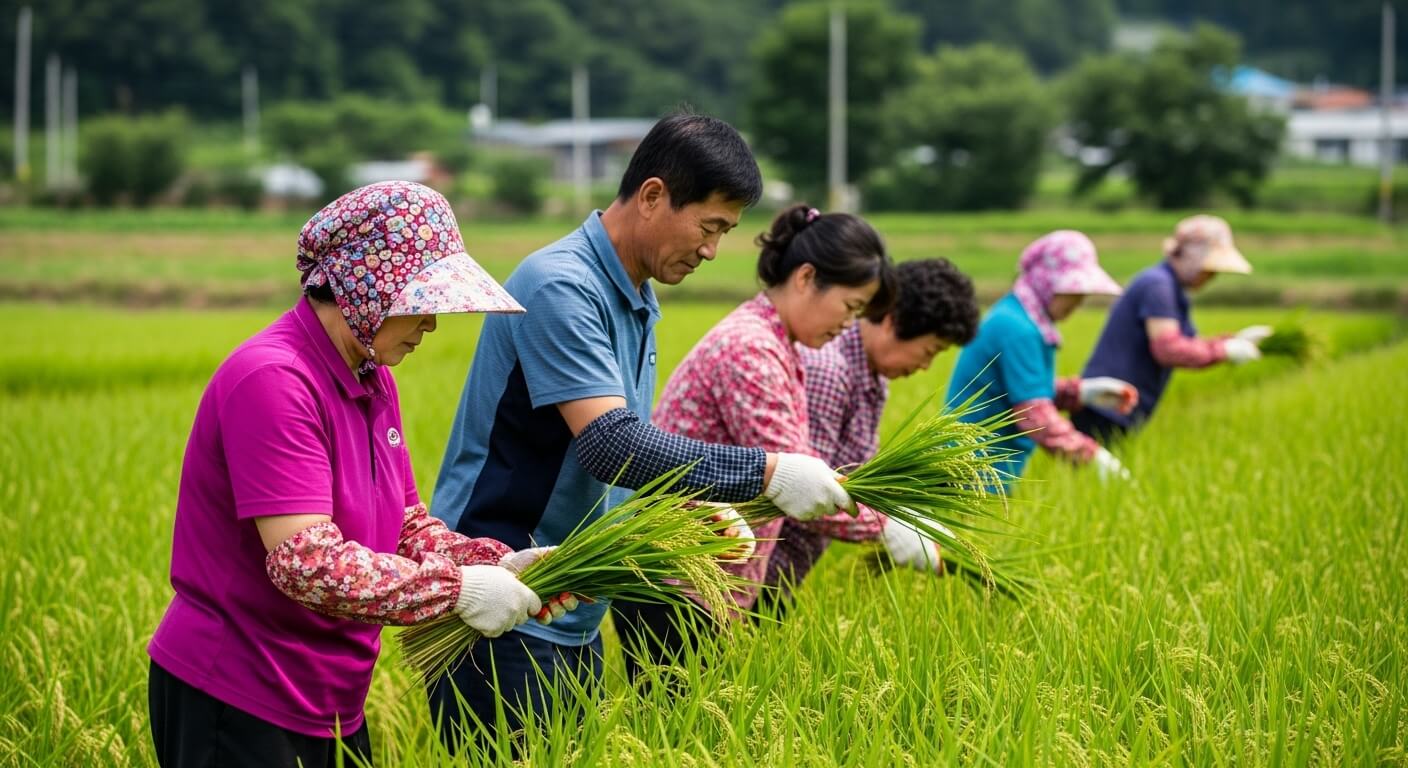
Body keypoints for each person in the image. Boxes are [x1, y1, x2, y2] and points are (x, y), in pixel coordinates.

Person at [428, 115, 855, 748]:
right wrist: (767, 472)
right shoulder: (562, 286)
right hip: (506, 604)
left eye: (724, 233)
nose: (711, 250)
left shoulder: (633, 293)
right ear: (653, 196)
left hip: (571, 611)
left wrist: (689, 508)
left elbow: (617, 470)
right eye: (708, 227)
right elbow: (610, 444)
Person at [146, 181, 573, 768]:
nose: (432, 325)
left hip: (332, 697)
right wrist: (458, 592)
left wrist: (491, 562)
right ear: (365, 287)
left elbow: (404, 526)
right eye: (421, 301)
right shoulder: (274, 381)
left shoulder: (373, 378)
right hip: (240, 691)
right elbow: (307, 562)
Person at [612, 203, 898, 679]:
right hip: (676, 584)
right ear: (806, 278)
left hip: (705, 584)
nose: (849, 325)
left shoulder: (777, 344)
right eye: (849, 307)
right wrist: (885, 528)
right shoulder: (751, 351)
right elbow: (803, 483)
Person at [764, 258, 982, 613]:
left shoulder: (871, 378)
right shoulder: (828, 370)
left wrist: (902, 515)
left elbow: (854, 475)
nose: (925, 366)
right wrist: (885, 527)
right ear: (893, 322)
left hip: (779, 575)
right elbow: (806, 489)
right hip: (748, 572)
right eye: (930, 351)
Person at [947, 231, 1137, 487]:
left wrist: (1078, 392)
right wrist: (1092, 456)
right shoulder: (1017, 328)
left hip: (984, 465)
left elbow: (1018, 389)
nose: (1079, 301)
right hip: (972, 469)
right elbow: (1033, 414)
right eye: (1073, 291)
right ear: (1046, 281)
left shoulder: (1019, 317)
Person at [1072, 215, 1267, 443]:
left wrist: (1232, 340)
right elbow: (1168, 348)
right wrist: (1223, 351)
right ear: (1190, 255)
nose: (1212, 277)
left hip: (1120, 404)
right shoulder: (1158, 286)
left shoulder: (1170, 288)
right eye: (1209, 268)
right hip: (1107, 404)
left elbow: (1186, 342)